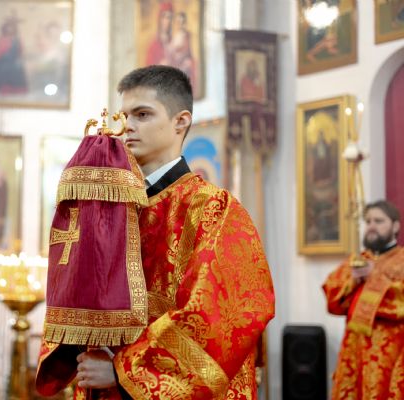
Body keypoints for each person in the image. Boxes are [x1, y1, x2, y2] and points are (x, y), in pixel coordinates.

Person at [35, 65, 275, 398]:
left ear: (181, 121)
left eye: (142, 114)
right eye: (123, 116)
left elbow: (219, 317)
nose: (127, 127)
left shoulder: (213, 209)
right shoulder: (108, 206)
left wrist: (122, 371)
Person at [323, 200, 404, 398]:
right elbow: (332, 298)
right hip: (354, 350)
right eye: (368, 221)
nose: (372, 226)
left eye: (379, 221)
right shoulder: (359, 260)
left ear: (395, 226)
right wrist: (353, 280)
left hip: (390, 353)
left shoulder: (401, 260)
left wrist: (374, 276)